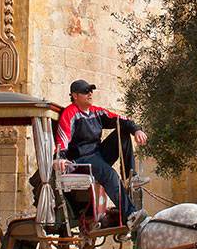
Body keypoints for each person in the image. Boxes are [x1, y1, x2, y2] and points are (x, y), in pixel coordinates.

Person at [54, 79, 149, 221]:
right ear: (75, 96)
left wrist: (136, 130)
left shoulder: (96, 112)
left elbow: (121, 119)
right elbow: (63, 137)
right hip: (81, 159)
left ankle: (132, 177)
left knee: (123, 131)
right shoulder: (70, 113)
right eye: (86, 91)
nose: (90, 94)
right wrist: (60, 156)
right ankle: (131, 215)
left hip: (98, 154)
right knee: (110, 175)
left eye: (91, 90)